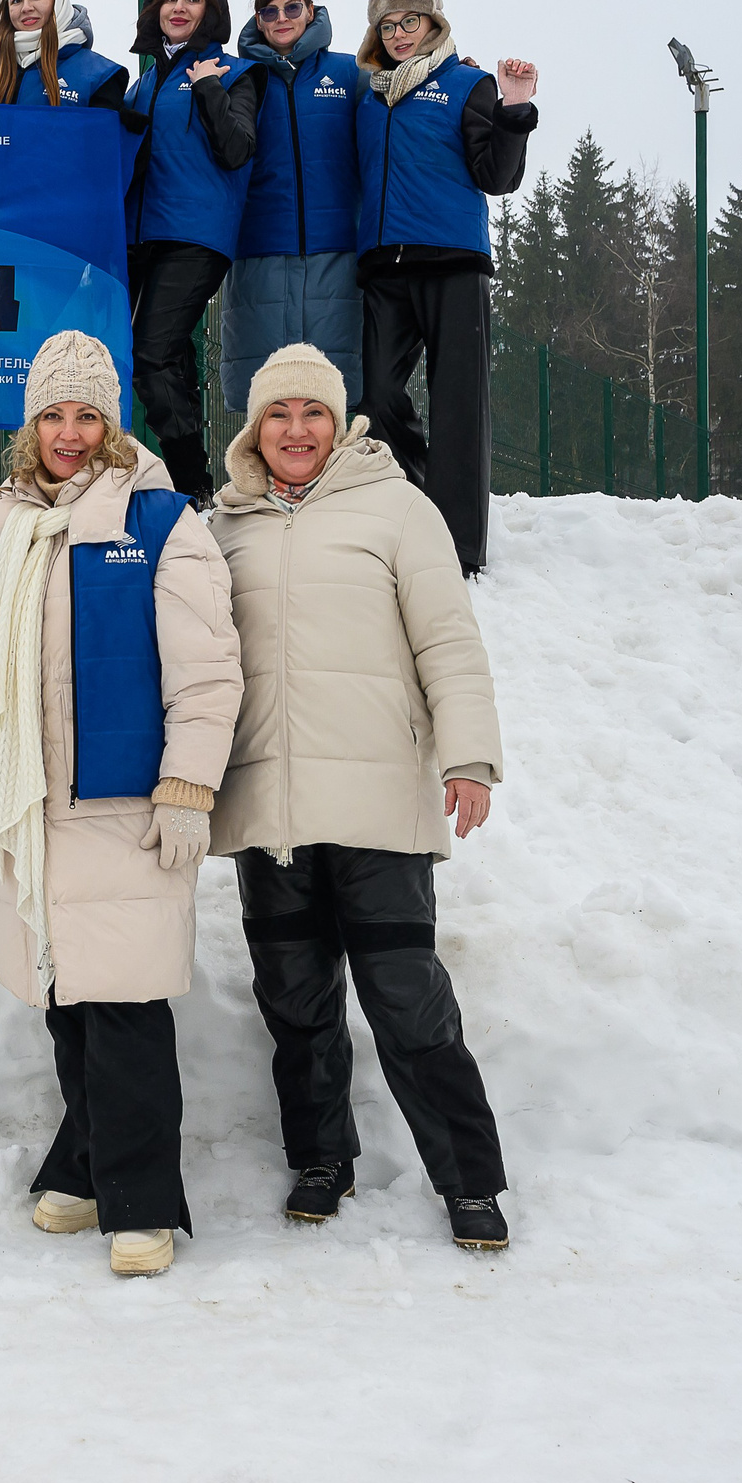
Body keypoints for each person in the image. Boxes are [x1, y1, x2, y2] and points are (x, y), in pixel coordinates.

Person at [0, 332, 243, 1279]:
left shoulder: (158, 520)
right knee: (65, 996)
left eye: (87, 414)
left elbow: (207, 672)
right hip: (32, 804)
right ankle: (87, 1163)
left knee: (126, 1007)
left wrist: (189, 786)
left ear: (113, 421)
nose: (70, 433)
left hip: (124, 804)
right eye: (54, 415)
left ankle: (143, 1200)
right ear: (32, 425)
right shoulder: (5, 521)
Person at [207, 341, 510, 1250]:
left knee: (408, 999)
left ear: (339, 423)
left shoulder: (399, 510)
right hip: (271, 808)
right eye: (278, 414)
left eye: (312, 413)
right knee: (295, 1000)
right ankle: (321, 1156)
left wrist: (470, 757)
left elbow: (448, 643)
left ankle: (470, 1181)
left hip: (379, 803)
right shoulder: (226, 527)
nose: (295, 430)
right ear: (255, 428)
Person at [352, 0, 539, 575]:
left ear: (433, 24)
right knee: (378, 397)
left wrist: (514, 108)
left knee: (459, 406)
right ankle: (419, 505)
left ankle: (459, 549)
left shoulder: (467, 84)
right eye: (388, 25)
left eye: (410, 22)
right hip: (384, 264)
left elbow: (497, 177)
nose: (400, 35)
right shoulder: (368, 97)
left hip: (454, 262)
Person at [123, 0, 263, 504]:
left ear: (211, 9)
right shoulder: (145, 81)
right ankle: (186, 483)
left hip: (196, 235)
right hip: (138, 234)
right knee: (166, 357)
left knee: (149, 352)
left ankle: (193, 485)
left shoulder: (235, 72)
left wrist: (208, 89)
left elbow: (235, 150)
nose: (179, 8)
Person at [221, 0, 363, 412]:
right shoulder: (239, 77)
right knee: (263, 396)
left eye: (292, 7)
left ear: (310, 11)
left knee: (335, 395)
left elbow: (399, 108)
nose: (282, 18)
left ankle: (341, 481)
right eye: (269, 11)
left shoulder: (349, 72)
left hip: (336, 253)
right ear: (258, 21)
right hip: (257, 254)